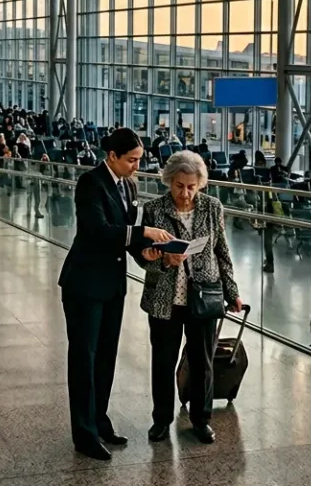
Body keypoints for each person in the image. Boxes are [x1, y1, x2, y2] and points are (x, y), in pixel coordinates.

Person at [58, 128, 173, 461]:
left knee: (106, 354)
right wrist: (142, 232)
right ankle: (84, 432)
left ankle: (99, 419)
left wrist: (144, 253)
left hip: (112, 284)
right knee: (84, 357)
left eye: (139, 160)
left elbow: (123, 240)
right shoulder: (90, 183)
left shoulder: (129, 185)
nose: (136, 166)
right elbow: (96, 230)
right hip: (84, 284)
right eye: (132, 160)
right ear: (113, 157)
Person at [134, 150, 241, 446]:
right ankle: (161, 420)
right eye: (179, 186)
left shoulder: (211, 207)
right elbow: (143, 258)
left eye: (192, 186)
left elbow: (222, 252)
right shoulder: (154, 209)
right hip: (164, 299)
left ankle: (201, 419)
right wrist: (162, 261)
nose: (185, 193)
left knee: (202, 362)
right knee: (163, 362)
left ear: (201, 184)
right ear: (169, 181)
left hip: (203, 297)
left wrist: (232, 293)